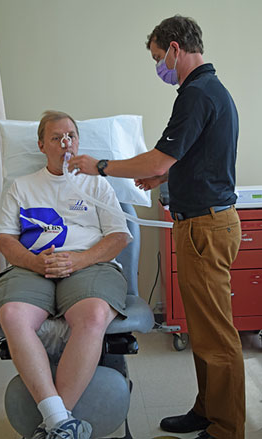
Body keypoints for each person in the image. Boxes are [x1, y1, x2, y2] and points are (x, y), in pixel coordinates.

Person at [67, 15, 245, 439]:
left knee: (216, 335)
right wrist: (165, 178)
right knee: (202, 330)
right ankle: (207, 410)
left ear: (174, 48)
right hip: (202, 222)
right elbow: (195, 156)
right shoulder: (205, 92)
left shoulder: (198, 94)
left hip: (206, 226)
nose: (159, 67)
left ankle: (226, 428)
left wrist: (102, 166)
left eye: (157, 57)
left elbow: (159, 156)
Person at [0, 110, 132, 439]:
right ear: (41, 145)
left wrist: (79, 262)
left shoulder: (96, 185)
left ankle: (53, 424)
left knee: (93, 314)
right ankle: (62, 425)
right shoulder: (22, 187)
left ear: (78, 142)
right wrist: (35, 263)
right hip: (33, 266)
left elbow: (119, 236)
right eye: (56, 137)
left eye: (71, 136)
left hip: (89, 264)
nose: (66, 143)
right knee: (12, 313)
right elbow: (5, 239)